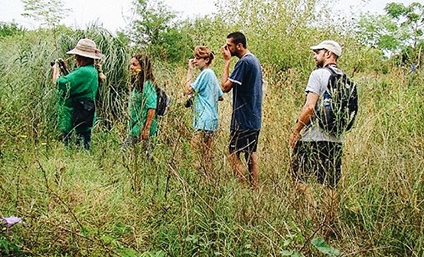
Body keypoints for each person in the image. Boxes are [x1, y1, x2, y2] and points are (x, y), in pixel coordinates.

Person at [289, 40, 344, 235]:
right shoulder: (344, 77)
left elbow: (310, 107)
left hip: (313, 138)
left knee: (298, 178)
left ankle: (313, 215)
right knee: (330, 183)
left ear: (328, 54)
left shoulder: (317, 75)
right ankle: (329, 224)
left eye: (318, 52)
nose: (314, 55)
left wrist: (296, 131)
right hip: (336, 140)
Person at [221, 32, 263, 190]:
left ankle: (243, 188)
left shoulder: (244, 63)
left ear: (239, 46)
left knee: (233, 153)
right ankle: (255, 190)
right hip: (254, 118)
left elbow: (225, 87)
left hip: (242, 118)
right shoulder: (255, 60)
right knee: (251, 154)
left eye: (229, 46)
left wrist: (226, 62)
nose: (227, 49)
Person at [52, 38, 104, 150]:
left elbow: (59, 83)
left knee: (72, 148)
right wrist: (65, 69)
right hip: (85, 115)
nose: (75, 58)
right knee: (84, 146)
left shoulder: (83, 71)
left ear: (81, 57)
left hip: (73, 116)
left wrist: (55, 69)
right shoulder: (92, 71)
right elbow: (75, 84)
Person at [185, 46, 223, 176]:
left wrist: (189, 70)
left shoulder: (205, 73)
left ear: (206, 60)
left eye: (197, 58)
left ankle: (194, 182)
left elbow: (188, 89)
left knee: (194, 153)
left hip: (203, 120)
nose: (195, 61)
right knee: (207, 155)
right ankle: (209, 181)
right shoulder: (211, 74)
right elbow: (220, 95)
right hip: (212, 120)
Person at [126, 54, 158, 150]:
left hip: (141, 126)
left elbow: (151, 107)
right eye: (131, 64)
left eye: (135, 65)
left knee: (125, 151)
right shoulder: (137, 84)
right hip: (134, 126)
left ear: (143, 67)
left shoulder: (148, 84)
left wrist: (147, 129)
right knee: (145, 156)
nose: (131, 67)